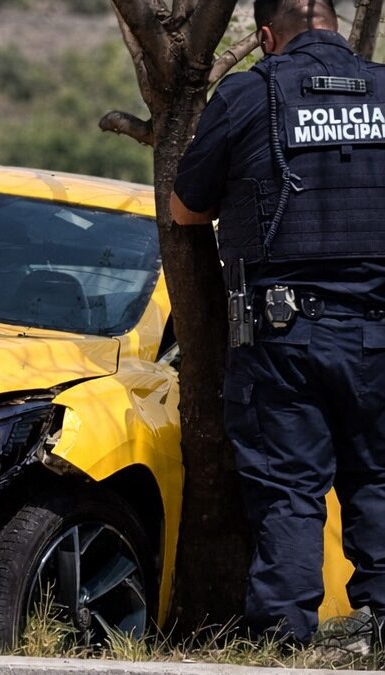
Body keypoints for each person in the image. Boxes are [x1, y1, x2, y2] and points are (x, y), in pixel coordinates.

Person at [171, 0, 385, 645]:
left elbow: (185, 210)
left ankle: (284, 639)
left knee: (290, 489)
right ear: (341, 29)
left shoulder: (248, 93)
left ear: (267, 36)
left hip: (286, 336)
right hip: (380, 333)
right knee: (378, 477)